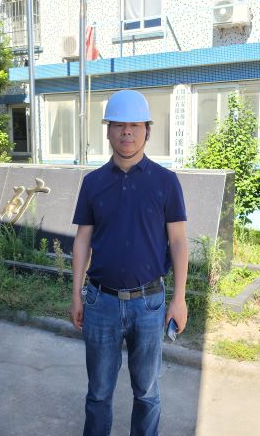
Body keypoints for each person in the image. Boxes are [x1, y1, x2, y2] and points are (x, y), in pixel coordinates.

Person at [70, 89, 188, 436]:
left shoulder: (166, 182)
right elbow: (82, 240)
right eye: (119, 125)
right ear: (108, 131)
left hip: (149, 304)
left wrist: (179, 299)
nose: (127, 132)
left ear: (147, 131)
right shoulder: (93, 183)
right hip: (100, 302)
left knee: (147, 394)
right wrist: (76, 294)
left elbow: (179, 241)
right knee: (98, 394)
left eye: (135, 125)